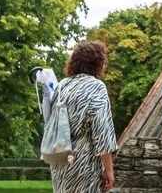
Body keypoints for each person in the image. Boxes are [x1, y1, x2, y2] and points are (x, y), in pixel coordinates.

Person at [50, 41, 119, 193]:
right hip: (84, 163)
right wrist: (109, 169)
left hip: (60, 161)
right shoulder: (96, 86)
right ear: (98, 63)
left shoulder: (61, 86)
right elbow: (102, 131)